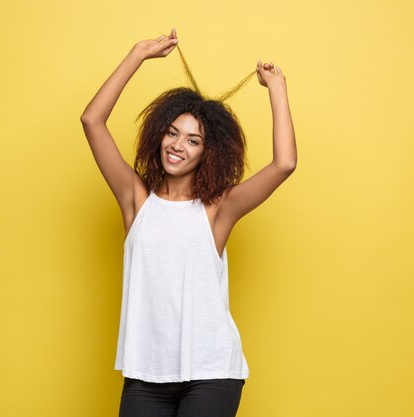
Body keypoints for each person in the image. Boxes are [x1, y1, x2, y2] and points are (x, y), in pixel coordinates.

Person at [80, 28, 297, 417]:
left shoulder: (219, 209)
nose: (178, 146)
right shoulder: (135, 200)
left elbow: (284, 164)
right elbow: (92, 120)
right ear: (158, 134)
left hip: (212, 373)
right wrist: (138, 54)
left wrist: (277, 87)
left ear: (207, 153)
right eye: (172, 132)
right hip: (145, 376)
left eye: (193, 141)